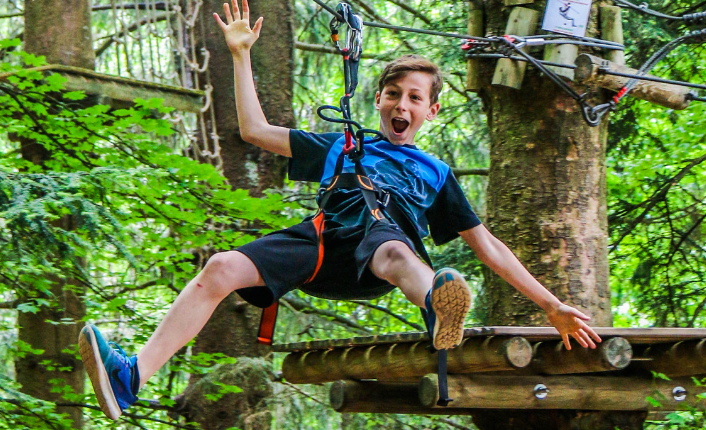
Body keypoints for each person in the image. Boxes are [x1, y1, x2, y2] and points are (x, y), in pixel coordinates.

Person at [78, 0, 603, 421]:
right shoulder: (342, 146)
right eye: (394, 94)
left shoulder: (435, 173)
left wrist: (551, 305)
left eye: (415, 98)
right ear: (378, 100)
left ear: (431, 110)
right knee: (219, 268)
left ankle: (438, 308)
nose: (402, 105)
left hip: (380, 252)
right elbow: (255, 131)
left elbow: (486, 245)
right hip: (323, 242)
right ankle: (131, 379)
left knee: (396, 249)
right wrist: (240, 55)